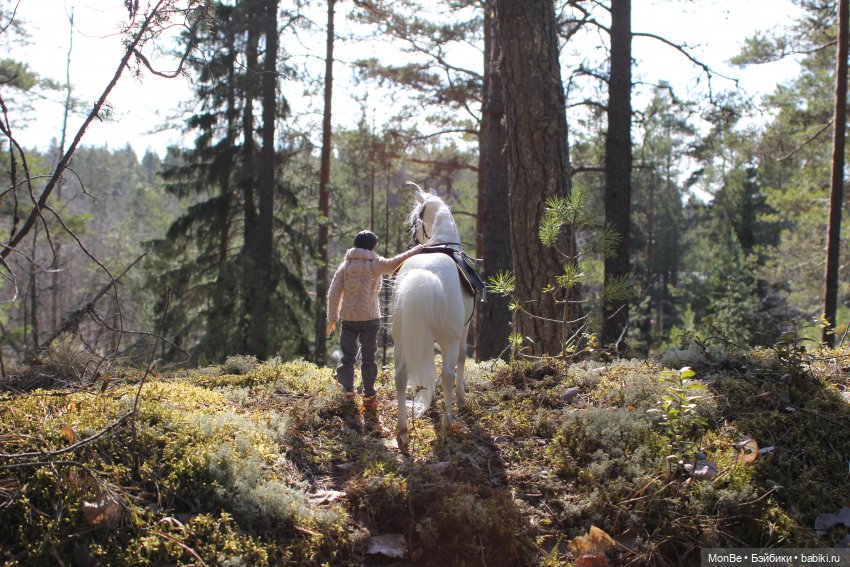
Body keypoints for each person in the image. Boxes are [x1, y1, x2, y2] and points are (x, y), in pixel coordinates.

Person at [326, 230, 423, 408]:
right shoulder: (375, 264)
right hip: (370, 318)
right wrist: (418, 249)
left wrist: (333, 316)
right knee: (368, 358)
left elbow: (334, 292)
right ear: (372, 246)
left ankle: (348, 390)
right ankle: (369, 394)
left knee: (347, 356)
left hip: (348, 318)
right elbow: (396, 262)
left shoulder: (345, 266)